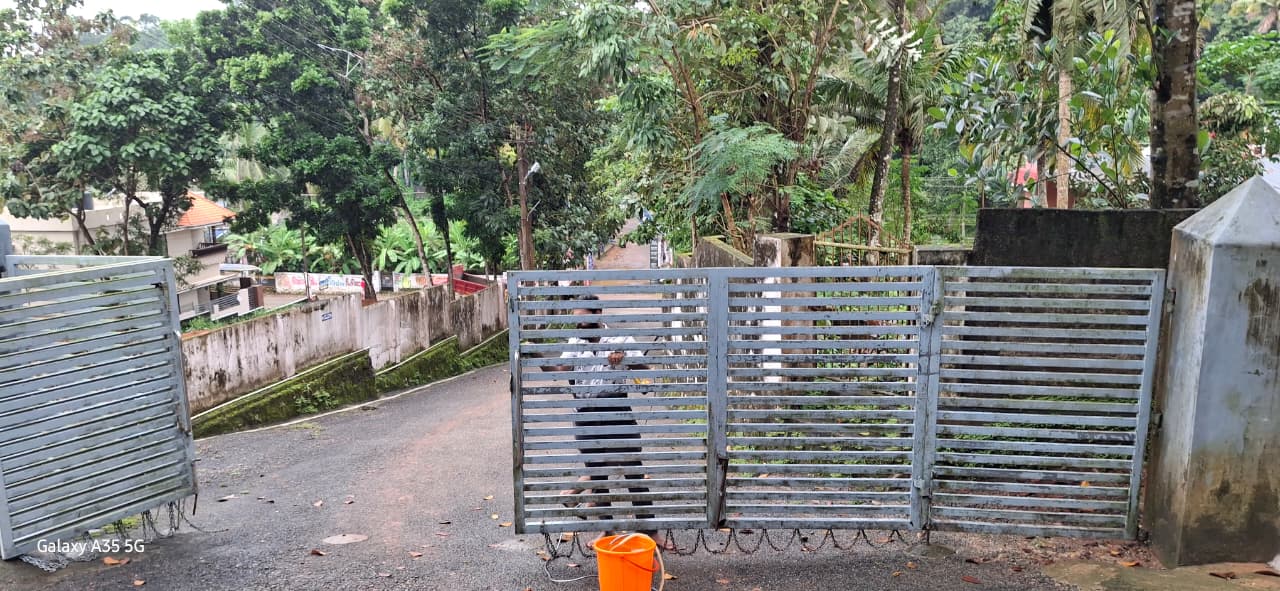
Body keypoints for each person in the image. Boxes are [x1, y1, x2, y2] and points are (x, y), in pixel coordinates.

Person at [542, 296, 654, 528]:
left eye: (583, 320)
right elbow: (558, 370)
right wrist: (533, 352)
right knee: (597, 475)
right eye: (576, 320)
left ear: (598, 313)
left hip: (617, 411)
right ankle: (607, 532)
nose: (579, 325)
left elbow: (646, 378)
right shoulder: (574, 342)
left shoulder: (620, 339)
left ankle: (651, 532)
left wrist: (624, 358)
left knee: (633, 471)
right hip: (586, 415)